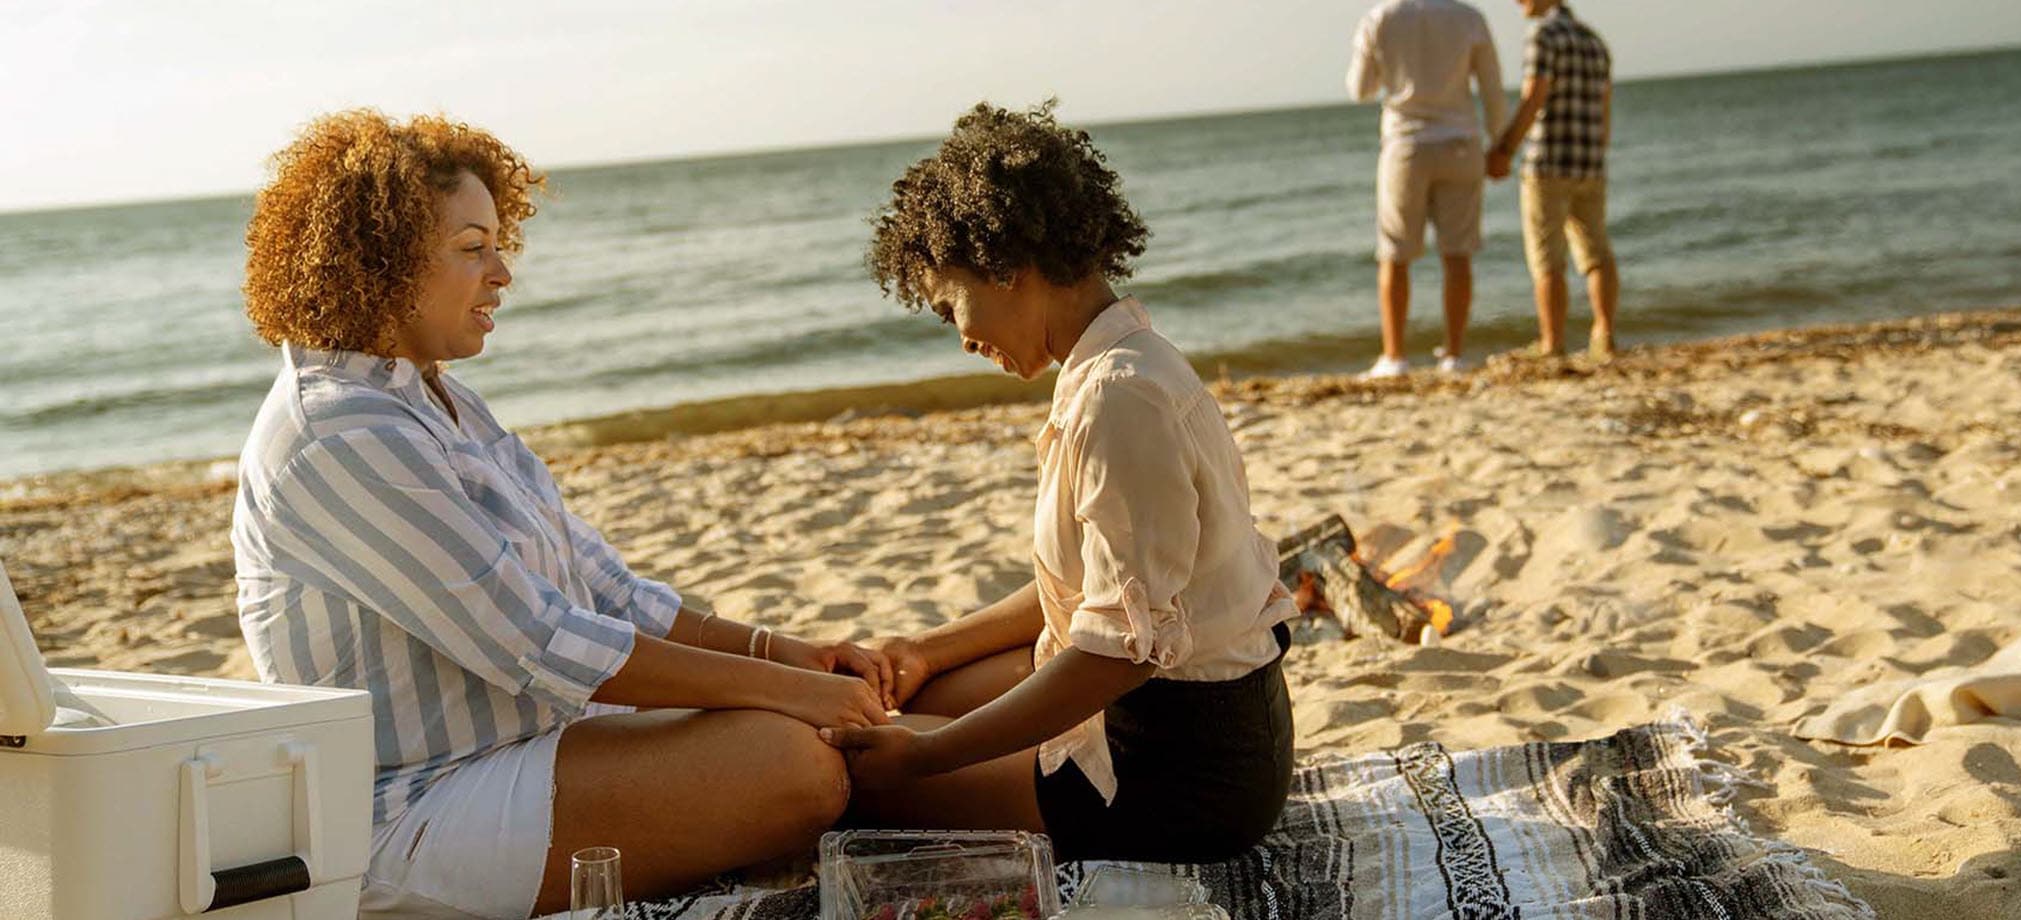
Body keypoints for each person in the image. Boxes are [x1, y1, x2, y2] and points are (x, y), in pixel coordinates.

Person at [231, 110, 892, 919]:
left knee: (830, 733)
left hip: (531, 753)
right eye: (473, 249)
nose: (501, 272)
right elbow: (537, 640)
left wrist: (792, 659)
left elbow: (604, 590)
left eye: (498, 245)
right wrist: (786, 694)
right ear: (380, 264)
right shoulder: (338, 431)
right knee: (795, 762)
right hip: (415, 809)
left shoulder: (436, 398)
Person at [831, 102, 1301, 863]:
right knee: (901, 700)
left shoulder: (1121, 399)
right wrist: (927, 649)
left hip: (1180, 781)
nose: (962, 338)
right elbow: (1096, 593)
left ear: (1005, 267)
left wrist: (928, 758)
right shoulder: (1111, 369)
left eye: (953, 305)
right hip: (1169, 725)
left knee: (852, 769)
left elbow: (1120, 652)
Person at [1348, 0, 1509, 377]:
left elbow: (1360, 89)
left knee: (1395, 254)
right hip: (1460, 143)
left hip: (1406, 145)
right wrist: (1500, 144)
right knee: (1458, 255)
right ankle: (1453, 354)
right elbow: (1492, 90)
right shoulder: (1469, 17)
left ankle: (1395, 356)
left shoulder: (1380, 17)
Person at [1488, 0, 1619, 360]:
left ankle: (1552, 342)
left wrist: (1504, 149)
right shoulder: (1594, 41)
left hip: (1548, 162)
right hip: (1590, 161)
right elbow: (1604, 108)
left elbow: (1534, 96)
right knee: (1596, 252)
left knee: (1547, 258)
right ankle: (1604, 333)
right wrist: (1597, 150)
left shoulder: (1543, 35)